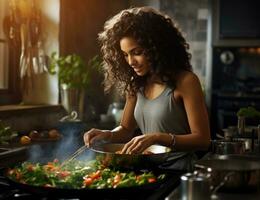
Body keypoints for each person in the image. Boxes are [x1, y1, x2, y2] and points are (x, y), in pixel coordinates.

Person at [84, 7, 210, 171]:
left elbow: (203, 140)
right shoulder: (136, 83)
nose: (131, 61)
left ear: (157, 48)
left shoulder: (186, 81)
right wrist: (107, 134)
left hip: (180, 172)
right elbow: (126, 129)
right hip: (147, 169)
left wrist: (157, 138)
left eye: (137, 52)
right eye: (125, 54)